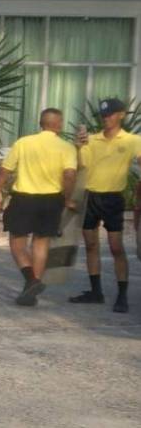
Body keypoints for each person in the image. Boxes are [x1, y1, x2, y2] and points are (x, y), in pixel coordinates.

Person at [0, 108, 77, 307]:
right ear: (59, 125)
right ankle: (32, 287)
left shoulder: (23, 143)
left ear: (41, 123)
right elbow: (70, 175)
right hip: (52, 200)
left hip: (24, 199)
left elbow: (4, 171)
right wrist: (67, 198)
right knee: (41, 243)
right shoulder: (67, 147)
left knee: (17, 244)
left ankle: (31, 282)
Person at [72, 98, 141, 313]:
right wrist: (79, 147)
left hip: (113, 199)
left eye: (110, 114)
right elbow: (81, 165)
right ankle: (96, 292)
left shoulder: (133, 140)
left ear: (121, 114)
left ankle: (122, 295)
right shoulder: (92, 140)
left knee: (116, 247)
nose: (106, 118)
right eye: (103, 115)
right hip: (91, 197)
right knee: (91, 245)